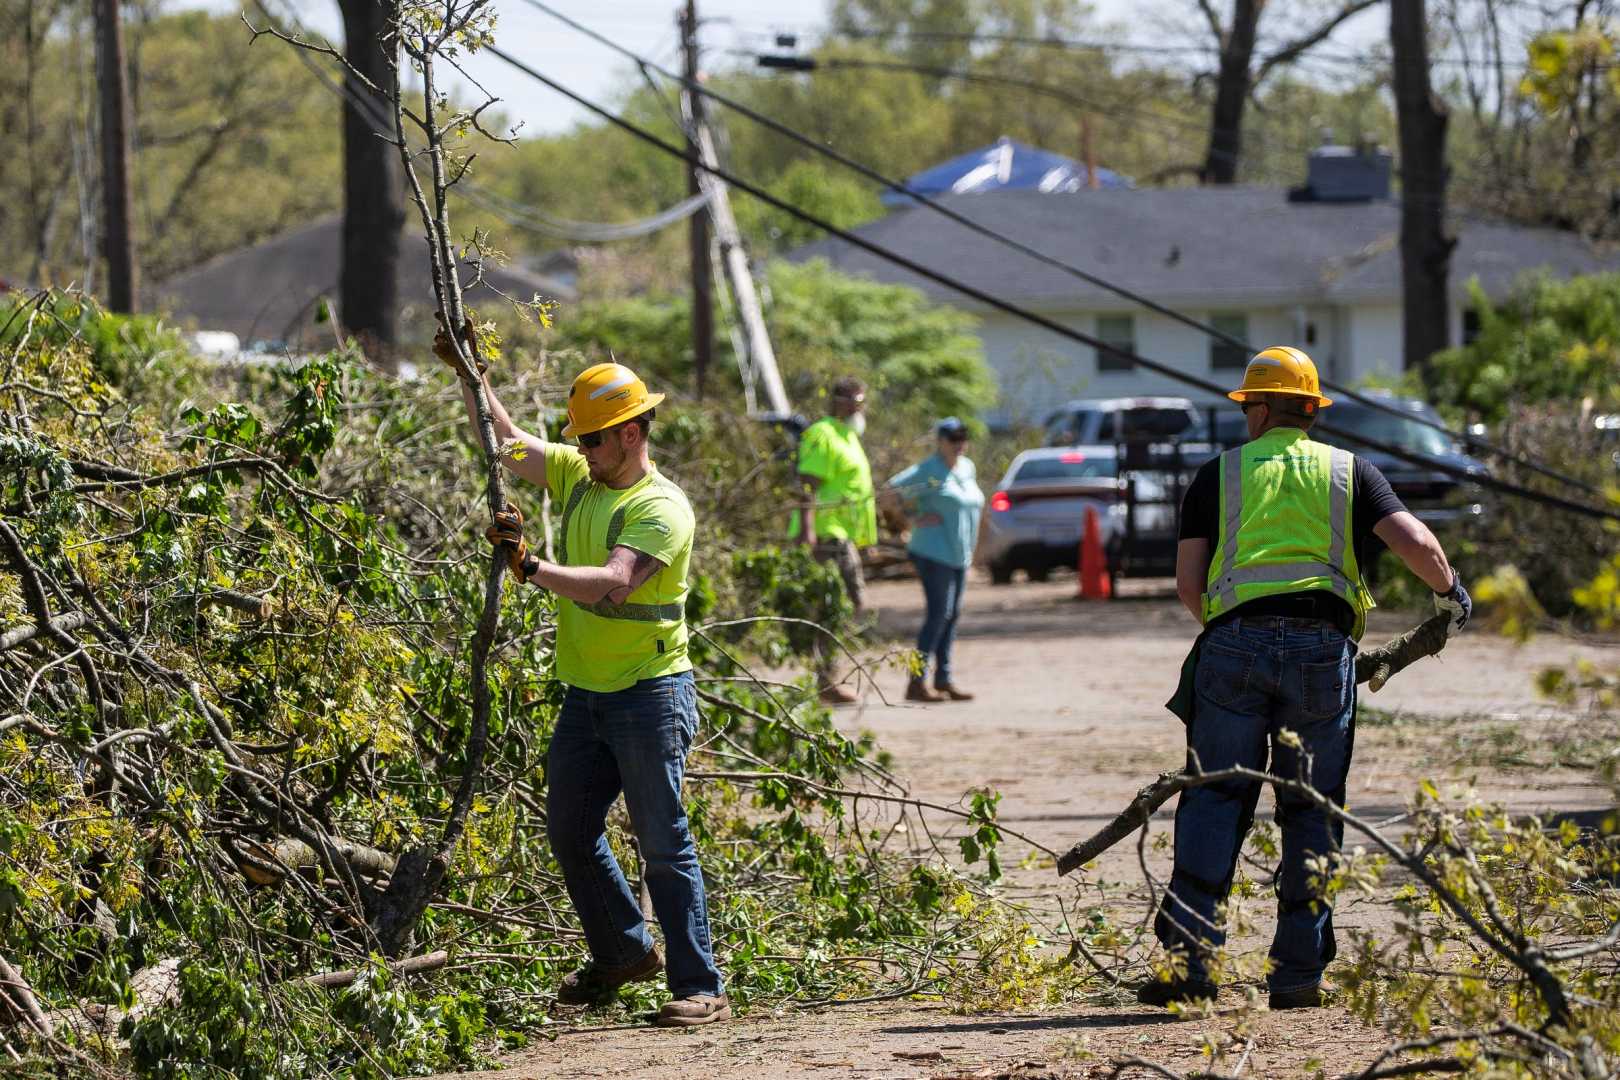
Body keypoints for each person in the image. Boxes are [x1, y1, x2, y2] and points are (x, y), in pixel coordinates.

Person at [1140, 346, 1472, 1011]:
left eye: (1247, 408)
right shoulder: (1353, 473)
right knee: (1312, 808)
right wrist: (1451, 596)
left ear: (1257, 408)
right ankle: (1296, 975)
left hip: (1232, 648)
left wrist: (1233, 629)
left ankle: (1190, 969)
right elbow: (1420, 546)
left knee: (1213, 799)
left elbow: (1187, 584)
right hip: (1324, 654)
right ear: (1313, 411)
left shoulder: (1218, 475)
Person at [437, 323, 729, 1028]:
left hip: (649, 694)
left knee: (663, 841)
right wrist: (469, 372)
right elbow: (509, 444)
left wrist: (528, 567)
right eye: (581, 439)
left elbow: (611, 584)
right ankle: (624, 952)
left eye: (594, 438)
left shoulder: (659, 508)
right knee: (569, 826)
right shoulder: (581, 475)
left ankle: (699, 986)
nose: (583, 449)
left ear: (631, 434)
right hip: (587, 695)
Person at [790, 375, 878, 705]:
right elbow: (807, 485)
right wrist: (807, 533)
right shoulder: (822, 433)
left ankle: (826, 675)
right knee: (838, 606)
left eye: (861, 401)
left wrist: (866, 538)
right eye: (853, 401)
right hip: (826, 536)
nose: (858, 407)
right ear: (837, 401)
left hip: (844, 536)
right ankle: (825, 679)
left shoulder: (850, 435)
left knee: (843, 606)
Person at [888, 417, 984, 702]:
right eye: (953, 438)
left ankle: (944, 678)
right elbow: (889, 493)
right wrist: (909, 520)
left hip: (958, 555)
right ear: (940, 441)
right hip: (932, 552)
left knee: (951, 615)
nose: (959, 444)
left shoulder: (967, 468)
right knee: (937, 615)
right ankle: (916, 683)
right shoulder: (928, 472)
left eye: (963, 438)